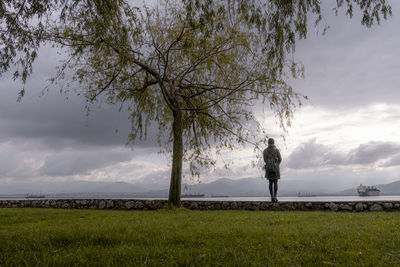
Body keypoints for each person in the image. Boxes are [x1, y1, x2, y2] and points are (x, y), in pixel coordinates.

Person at [263, 138, 282, 202]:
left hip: (268, 169)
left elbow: (265, 160)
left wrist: (269, 164)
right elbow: (280, 159)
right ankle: (275, 197)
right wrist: (276, 164)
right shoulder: (276, 150)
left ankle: (271, 197)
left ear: (268, 143)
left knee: (270, 183)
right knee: (275, 182)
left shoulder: (265, 151)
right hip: (275, 169)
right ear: (273, 143)